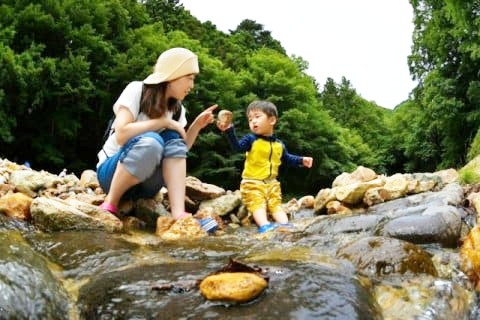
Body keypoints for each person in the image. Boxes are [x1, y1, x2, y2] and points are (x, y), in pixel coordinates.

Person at [96, 47, 218, 233]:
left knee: (172, 139)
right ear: (173, 74)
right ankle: (110, 203)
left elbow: (179, 152)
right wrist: (162, 122)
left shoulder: (177, 110)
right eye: (190, 77)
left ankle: (179, 214)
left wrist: (196, 127)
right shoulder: (137, 90)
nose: (192, 85)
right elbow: (121, 134)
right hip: (111, 174)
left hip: (146, 186)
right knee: (152, 141)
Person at [217, 100, 313, 233]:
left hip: (272, 183)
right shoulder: (251, 139)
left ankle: (285, 225)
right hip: (252, 182)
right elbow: (237, 147)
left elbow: (287, 158)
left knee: (276, 205)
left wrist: (302, 160)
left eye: (257, 117)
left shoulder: (279, 144)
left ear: (272, 120)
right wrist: (229, 130)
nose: (253, 121)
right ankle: (264, 225)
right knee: (257, 203)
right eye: (250, 119)